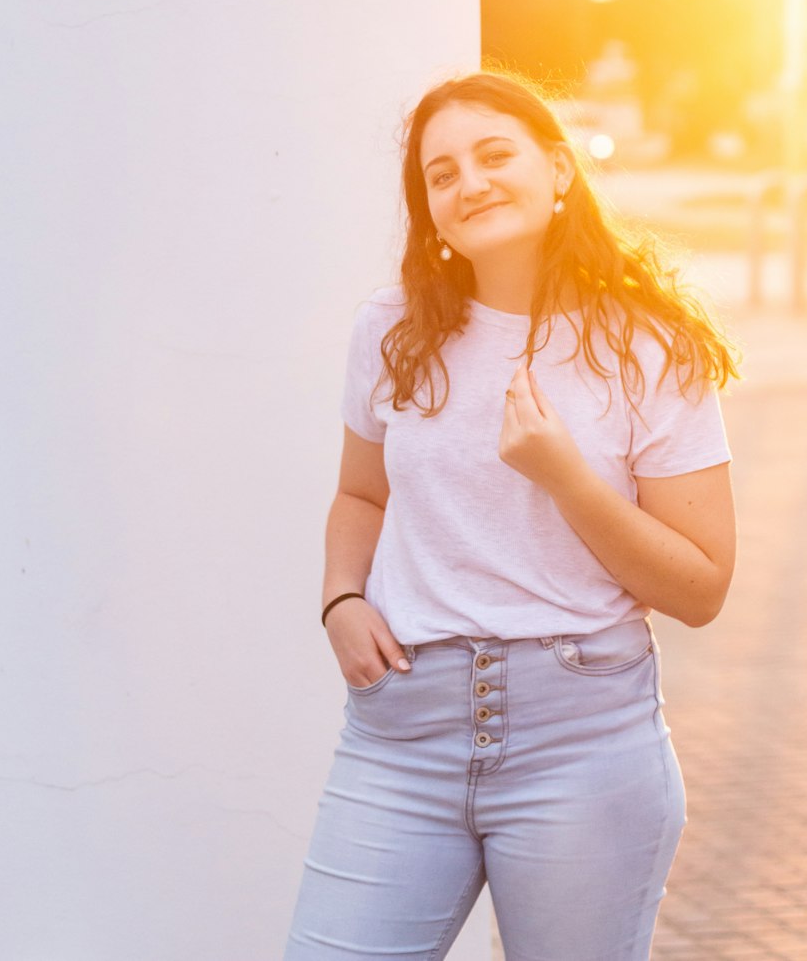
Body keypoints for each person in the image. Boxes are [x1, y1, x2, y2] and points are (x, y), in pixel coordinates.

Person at [282, 68, 738, 961]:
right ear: (430, 209)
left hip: (584, 741)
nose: (469, 182)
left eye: (495, 154)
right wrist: (341, 600)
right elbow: (361, 495)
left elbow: (703, 587)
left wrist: (564, 476)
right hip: (401, 734)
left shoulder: (650, 347)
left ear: (560, 171)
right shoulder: (391, 330)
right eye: (440, 173)